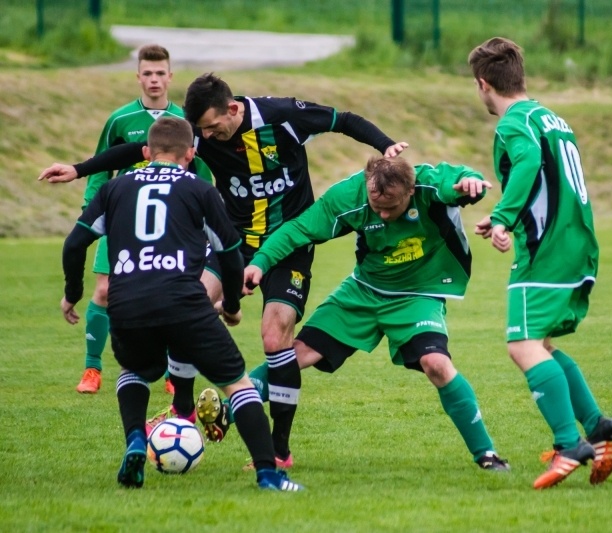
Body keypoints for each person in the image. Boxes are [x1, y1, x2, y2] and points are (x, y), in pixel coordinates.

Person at [38, 73, 408, 467]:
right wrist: (79, 169)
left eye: (214, 127)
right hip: (234, 240)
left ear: (232, 109)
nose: (208, 138)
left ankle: (280, 450)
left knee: (275, 336)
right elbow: (137, 150)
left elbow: (343, 120)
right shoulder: (200, 134)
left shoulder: (281, 115)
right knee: (190, 301)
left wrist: (386, 145)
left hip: (290, 243)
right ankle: (182, 413)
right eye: (203, 131)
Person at [59, 116, 302, 491]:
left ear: (145, 153)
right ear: (190, 154)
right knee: (238, 386)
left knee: (133, 371)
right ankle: (269, 474)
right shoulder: (201, 190)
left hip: (128, 303)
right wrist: (233, 304)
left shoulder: (116, 189)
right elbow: (232, 252)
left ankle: (137, 440)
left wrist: (72, 293)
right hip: (183, 300)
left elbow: (74, 244)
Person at [238, 155, 509, 471]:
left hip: (417, 295)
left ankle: (487, 455)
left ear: (410, 191)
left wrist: (471, 184)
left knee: (436, 364)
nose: (381, 212)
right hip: (363, 292)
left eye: (390, 207)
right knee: (294, 356)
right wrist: (259, 262)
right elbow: (299, 228)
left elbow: (457, 184)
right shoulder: (350, 195)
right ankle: (228, 406)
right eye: (375, 204)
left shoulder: (428, 184)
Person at [468, 37, 612, 489]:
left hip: (546, 249)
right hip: (578, 244)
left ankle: (567, 442)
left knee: (522, 346)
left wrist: (501, 216)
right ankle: (596, 426)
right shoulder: (552, 116)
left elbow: (529, 163)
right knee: (543, 344)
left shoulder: (514, 122)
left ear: (483, 84)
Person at [74, 43, 212, 395]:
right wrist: (92, 211)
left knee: (167, 290)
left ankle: (169, 371)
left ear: (170, 76)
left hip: (169, 224)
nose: (154, 79)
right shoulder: (120, 120)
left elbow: (201, 174)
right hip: (121, 219)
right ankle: (92, 369)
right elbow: (100, 168)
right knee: (105, 290)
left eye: (160, 73)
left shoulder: (185, 122)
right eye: (147, 73)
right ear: (138, 77)